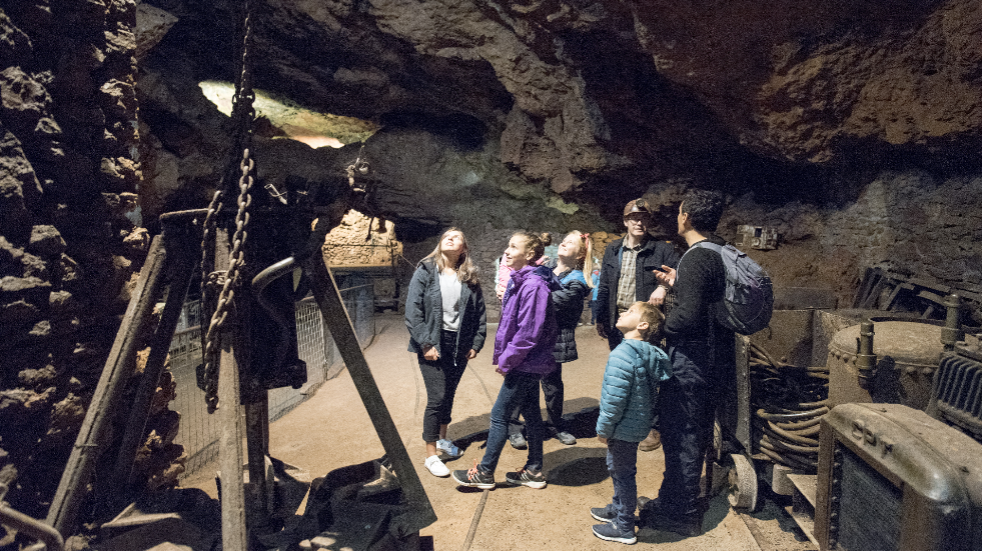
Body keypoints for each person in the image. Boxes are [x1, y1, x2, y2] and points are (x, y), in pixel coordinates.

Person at [642, 189, 735, 537]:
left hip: (691, 364)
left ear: (687, 217)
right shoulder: (718, 250)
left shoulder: (696, 257)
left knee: (681, 435)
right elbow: (707, 301)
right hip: (710, 359)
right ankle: (672, 502)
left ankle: (680, 514)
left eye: (680, 212)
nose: (678, 217)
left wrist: (657, 324)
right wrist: (678, 285)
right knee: (688, 434)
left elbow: (689, 319)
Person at [453, 231, 560, 490]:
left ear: (530, 255)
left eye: (514, 247)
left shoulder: (534, 285)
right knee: (532, 414)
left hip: (526, 361)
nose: (507, 251)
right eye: (507, 246)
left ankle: (485, 473)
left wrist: (508, 360)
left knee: (500, 415)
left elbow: (528, 332)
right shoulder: (521, 280)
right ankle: (534, 470)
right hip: (528, 361)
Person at [595, 198, 679, 451]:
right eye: (634, 218)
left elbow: (678, 273)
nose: (639, 222)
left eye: (643, 218)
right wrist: (600, 317)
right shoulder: (613, 249)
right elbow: (605, 285)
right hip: (619, 321)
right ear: (625, 221)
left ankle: (653, 426)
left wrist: (662, 287)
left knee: (646, 376)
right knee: (623, 374)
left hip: (643, 324)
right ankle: (626, 420)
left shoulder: (661, 250)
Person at [405, 228, 487, 478]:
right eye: (446, 236)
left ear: (464, 248)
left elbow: (480, 314)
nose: (450, 238)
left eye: (457, 236)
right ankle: (431, 455)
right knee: (437, 397)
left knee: (448, 394)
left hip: (459, 343)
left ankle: (442, 439)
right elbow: (413, 310)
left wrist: (477, 342)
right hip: (433, 341)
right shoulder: (426, 270)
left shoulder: (469, 276)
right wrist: (426, 343)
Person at [590, 301, 672, 544]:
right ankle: (617, 508)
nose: (622, 313)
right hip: (636, 424)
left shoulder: (622, 354)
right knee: (617, 468)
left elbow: (613, 400)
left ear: (643, 325)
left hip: (622, 427)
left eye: (630, 312)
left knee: (623, 473)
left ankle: (624, 525)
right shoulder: (647, 353)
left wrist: (603, 430)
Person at [507, 231, 593, 449]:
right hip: (531, 336)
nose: (563, 243)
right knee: (522, 382)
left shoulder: (578, 281)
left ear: (581, 254)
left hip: (554, 339)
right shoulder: (545, 269)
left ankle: (556, 425)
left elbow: (551, 301)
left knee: (552, 386)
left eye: (571, 242)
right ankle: (514, 427)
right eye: (564, 240)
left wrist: (528, 294)